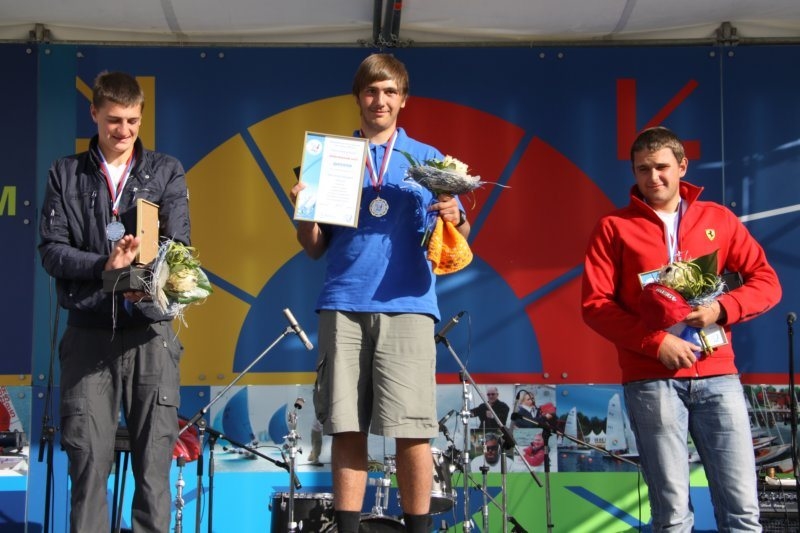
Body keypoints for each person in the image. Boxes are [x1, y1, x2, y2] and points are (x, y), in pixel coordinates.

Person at [289, 53, 470, 533]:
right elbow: (314, 247)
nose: (380, 100)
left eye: (390, 91)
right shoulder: (332, 159)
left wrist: (455, 215)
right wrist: (304, 212)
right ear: (358, 97)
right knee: (346, 427)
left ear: (403, 99)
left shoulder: (428, 159)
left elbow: (458, 235)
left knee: (413, 431)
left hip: (408, 305)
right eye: (371, 91)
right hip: (343, 303)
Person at [581, 126, 781, 531]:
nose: (653, 177)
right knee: (672, 514)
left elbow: (767, 282)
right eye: (643, 169)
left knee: (743, 510)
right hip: (652, 379)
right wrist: (656, 343)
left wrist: (722, 309)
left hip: (718, 374)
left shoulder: (718, 219)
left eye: (661, 167)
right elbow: (595, 305)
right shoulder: (614, 227)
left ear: (682, 167)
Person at [39, 71, 190, 532]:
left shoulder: (165, 170)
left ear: (142, 116)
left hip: (149, 334)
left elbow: (179, 248)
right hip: (88, 334)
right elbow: (52, 251)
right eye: (113, 121)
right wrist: (105, 266)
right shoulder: (66, 172)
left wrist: (143, 278)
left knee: (153, 473)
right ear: (94, 114)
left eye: (132, 121)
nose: (123, 130)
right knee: (87, 468)